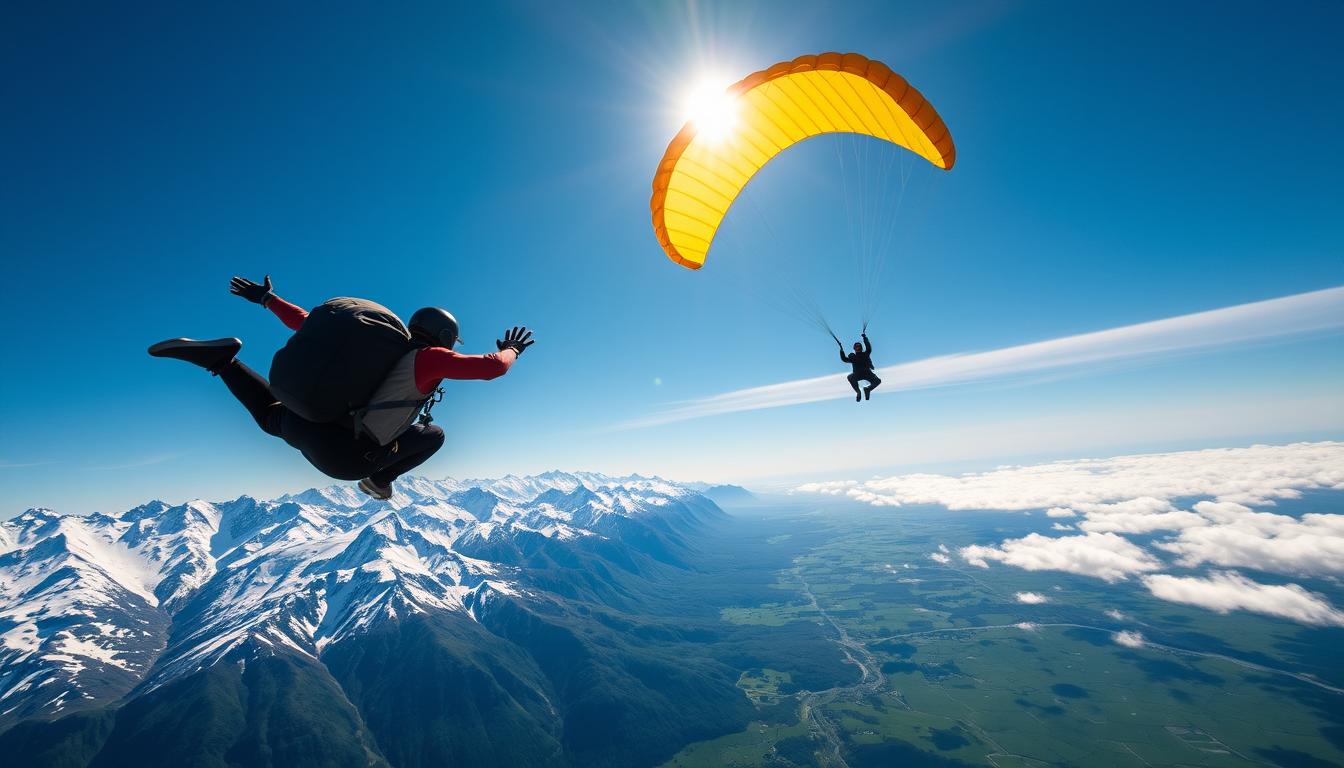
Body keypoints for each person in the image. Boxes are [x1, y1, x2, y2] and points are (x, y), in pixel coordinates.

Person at [148, 275, 534, 500]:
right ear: (446, 338)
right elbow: (491, 369)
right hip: (345, 456)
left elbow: (304, 321)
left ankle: (224, 362)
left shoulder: (376, 347)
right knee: (434, 435)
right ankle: (378, 480)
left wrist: (266, 299)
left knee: (272, 415)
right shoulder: (429, 357)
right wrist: (511, 350)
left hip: (310, 422)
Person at [838, 332, 881, 402]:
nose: (858, 347)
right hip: (858, 374)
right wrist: (841, 350)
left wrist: (865, 338)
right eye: (856, 347)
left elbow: (869, 348)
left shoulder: (865, 354)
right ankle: (858, 392)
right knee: (850, 377)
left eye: (859, 346)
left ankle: (867, 389)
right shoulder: (853, 357)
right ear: (854, 348)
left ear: (861, 348)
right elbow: (844, 359)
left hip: (867, 373)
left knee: (878, 381)